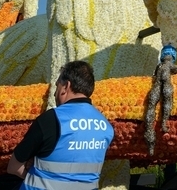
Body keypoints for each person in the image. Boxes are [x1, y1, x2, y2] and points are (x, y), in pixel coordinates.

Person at [7, 61, 114, 190]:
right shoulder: (106, 126)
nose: (54, 93)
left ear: (65, 87)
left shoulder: (51, 120)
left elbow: (13, 167)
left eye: (57, 85)